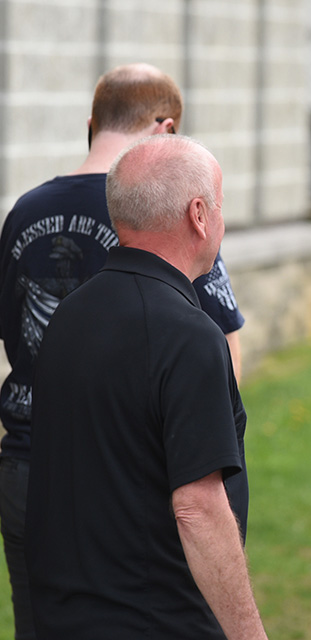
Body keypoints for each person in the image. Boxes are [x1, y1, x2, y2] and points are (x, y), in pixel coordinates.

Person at [0, 62, 244, 639]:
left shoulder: (23, 213)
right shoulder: (168, 214)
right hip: (149, 482)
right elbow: (222, 355)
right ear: (166, 130)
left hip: (32, 467)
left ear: (93, 122)